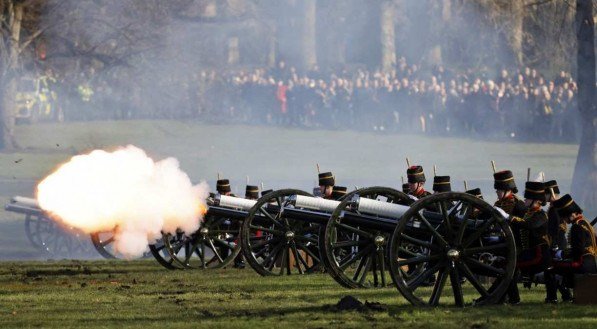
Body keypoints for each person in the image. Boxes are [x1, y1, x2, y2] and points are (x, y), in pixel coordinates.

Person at [510, 181, 556, 303]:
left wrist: (510, 217)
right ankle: (512, 298)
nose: (524, 201)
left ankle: (514, 299)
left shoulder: (541, 214)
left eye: (527, 198)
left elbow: (529, 225)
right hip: (531, 252)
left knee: (510, 268)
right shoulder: (528, 214)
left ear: (535, 200)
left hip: (539, 254)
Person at [551, 194, 597, 300]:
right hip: (590, 263)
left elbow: (578, 251)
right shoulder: (584, 223)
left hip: (582, 264)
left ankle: (555, 298)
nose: (564, 219)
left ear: (571, 213)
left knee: (552, 268)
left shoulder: (577, 226)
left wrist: (561, 254)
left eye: (564, 216)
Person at [492, 170, 526, 304]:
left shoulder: (519, 204)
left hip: (517, 244)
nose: (497, 193)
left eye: (499, 190)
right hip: (502, 242)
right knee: (504, 272)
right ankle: (503, 298)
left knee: (508, 272)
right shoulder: (497, 204)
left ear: (507, 190)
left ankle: (512, 299)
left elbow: (523, 225)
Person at [545, 180, 573, 302]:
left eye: (546, 194)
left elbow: (556, 229)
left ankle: (553, 298)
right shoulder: (556, 207)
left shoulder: (555, 209)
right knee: (555, 272)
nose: (543, 197)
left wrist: (554, 246)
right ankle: (565, 296)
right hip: (558, 242)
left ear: (550, 194)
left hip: (557, 243)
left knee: (551, 271)